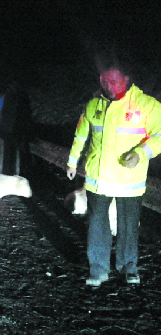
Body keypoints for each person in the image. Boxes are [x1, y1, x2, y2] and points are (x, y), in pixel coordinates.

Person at [67, 64, 161, 286]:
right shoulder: (93, 105)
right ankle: (98, 269)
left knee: (128, 226)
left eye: (114, 81)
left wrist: (141, 153)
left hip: (129, 181)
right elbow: (81, 135)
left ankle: (129, 267)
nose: (109, 87)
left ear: (126, 79)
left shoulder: (147, 105)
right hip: (98, 180)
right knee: (97, 226)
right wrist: (72, 162)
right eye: (105, 82)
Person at [0, 80, 33, 176]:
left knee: (11, 153)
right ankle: (8, 174)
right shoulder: (6, 97)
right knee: (10, 153)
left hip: (12, 130)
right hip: (8, 129)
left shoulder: (20, 97)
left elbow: (26, 114)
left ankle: (9, 174)